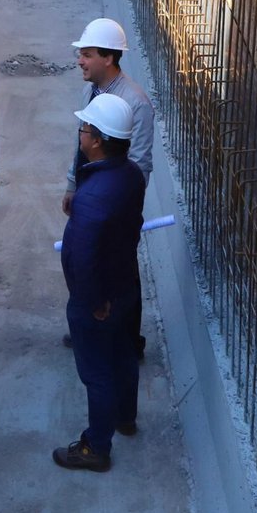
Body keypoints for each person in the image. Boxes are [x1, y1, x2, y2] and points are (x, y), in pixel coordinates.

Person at [54, 93, 145, 472]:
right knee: (124, 355)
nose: (80, 134)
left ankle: (97, 447)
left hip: (99, 297)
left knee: (97, 373)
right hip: (125, 283)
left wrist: (93, 301)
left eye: (84, 128)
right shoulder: (131, 175)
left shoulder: (93, 196)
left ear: (98, 139)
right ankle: (125, 417)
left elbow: (85, 257)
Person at [63, 19, 155, 356]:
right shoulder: (91, 90)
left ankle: (130, 341)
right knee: (83, 260)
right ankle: (89, 321)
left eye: (86, 54)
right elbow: (80, 143)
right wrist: (74, 186)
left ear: (108, 58)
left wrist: (120, 213)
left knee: (120, 272)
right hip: (90, 195)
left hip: (113, 205)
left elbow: (140, 164)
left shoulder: (137, 103)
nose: (80, 61)